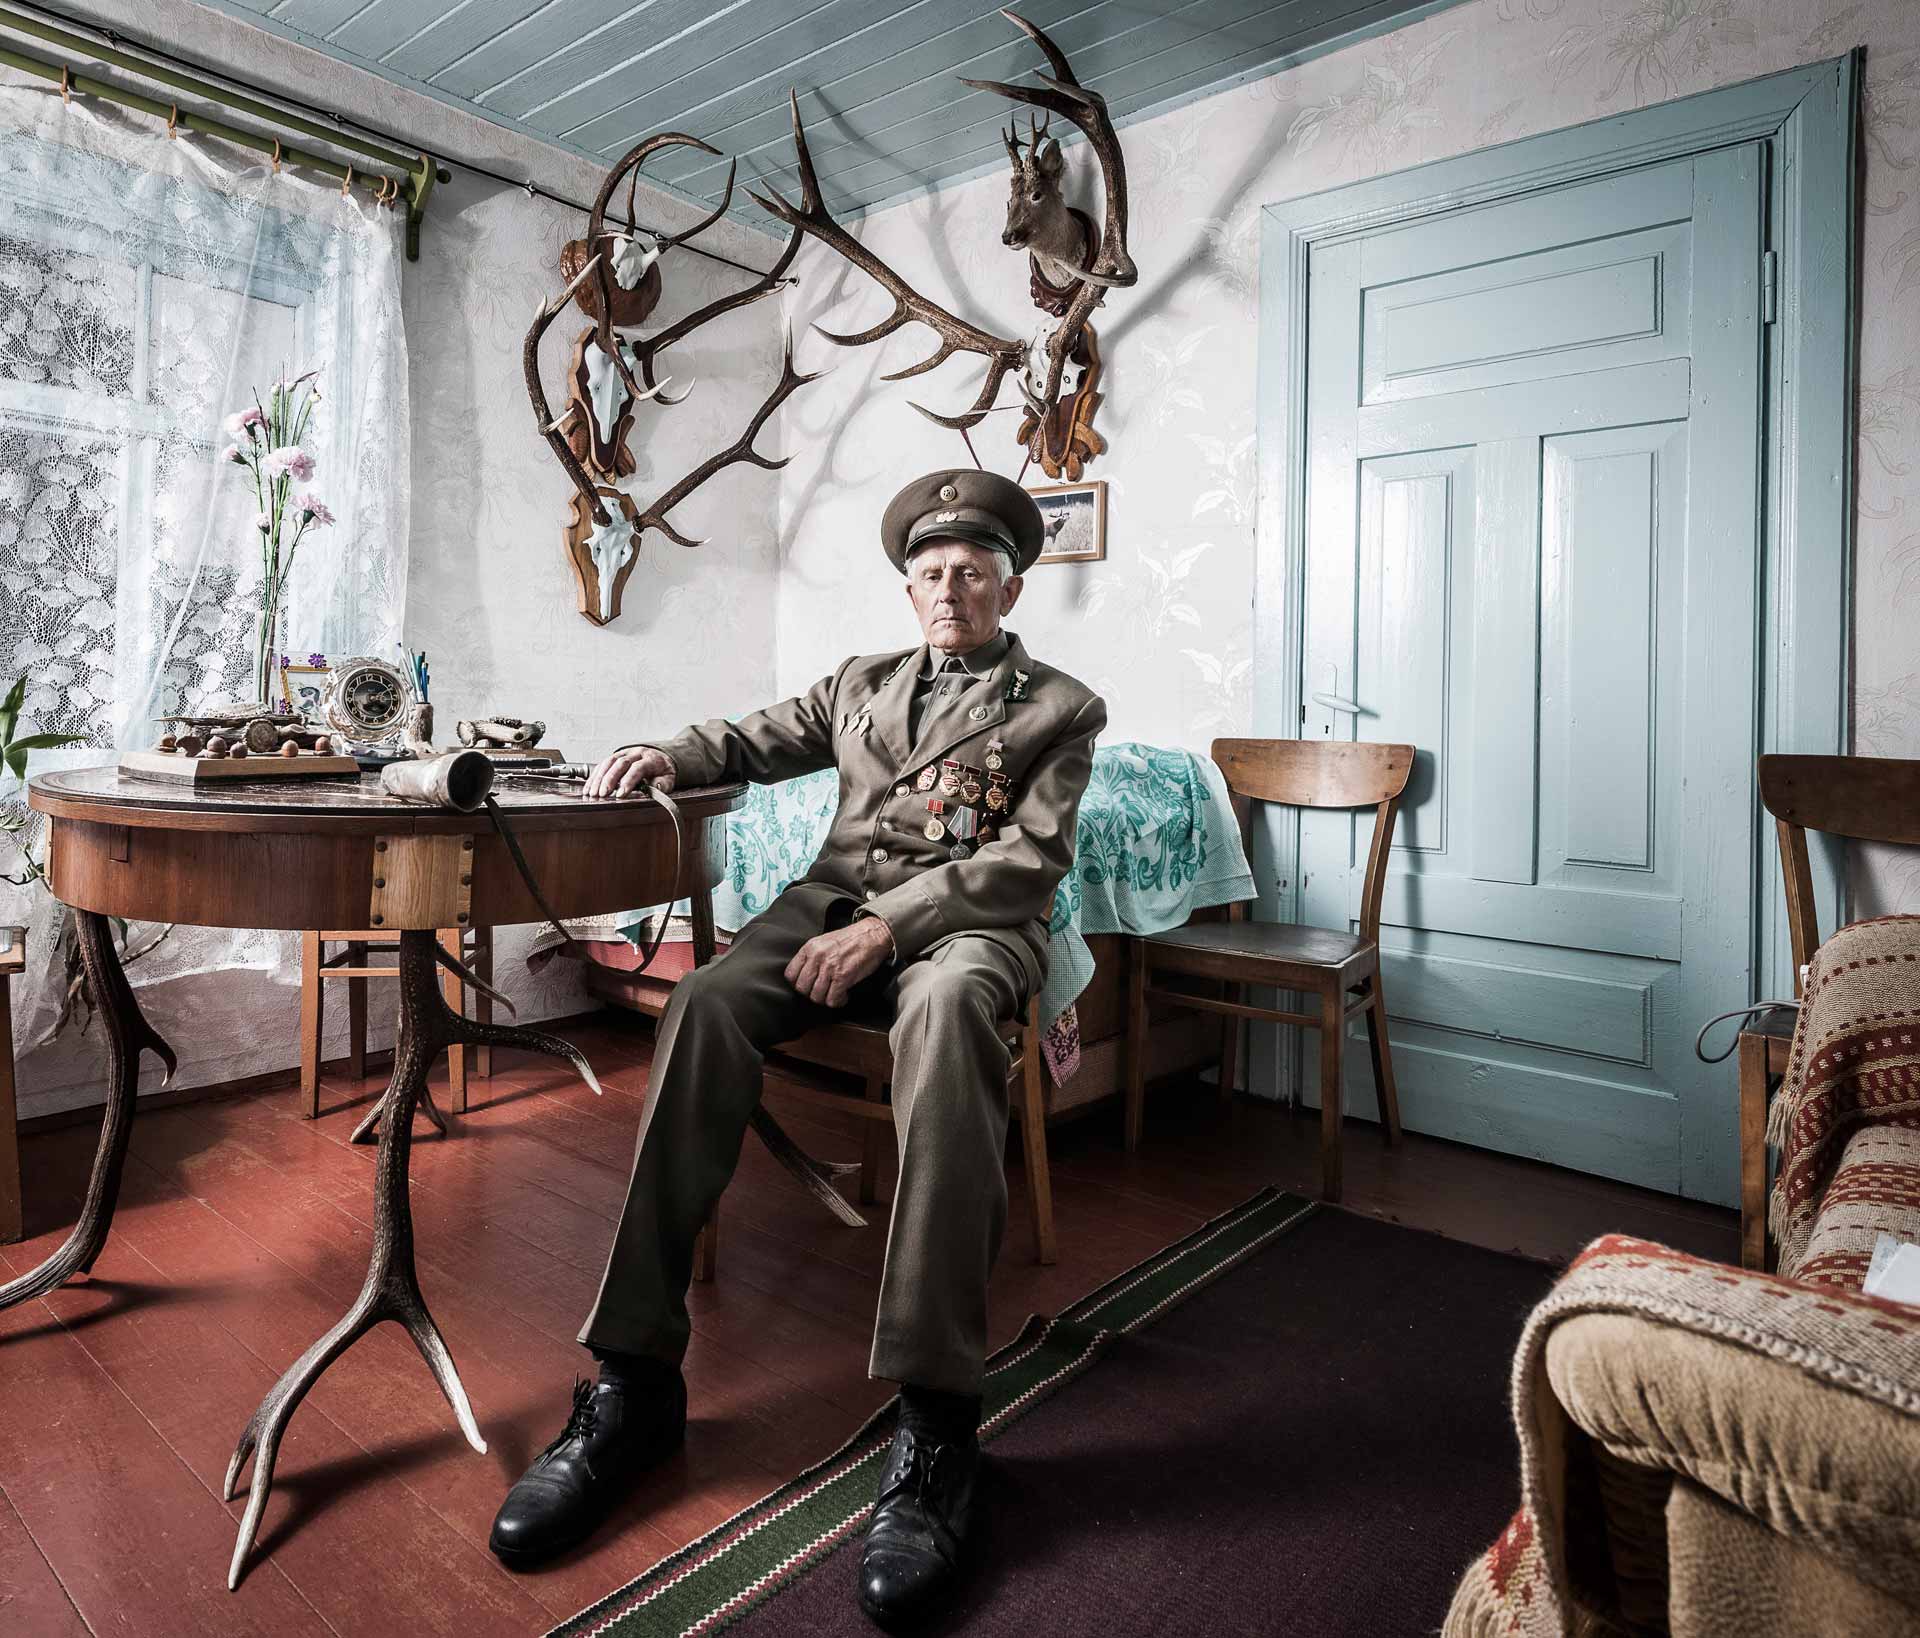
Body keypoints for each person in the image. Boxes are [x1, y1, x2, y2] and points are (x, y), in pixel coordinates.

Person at [489, 468, 1106, 1628]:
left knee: (948, 1012)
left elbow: (1027, 863)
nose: (949, 589)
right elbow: (752, 737)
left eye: (972, 572)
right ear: (909, 590)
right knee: (705, 1004)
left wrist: (890, 930)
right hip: (826, 910)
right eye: (930, 572)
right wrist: (670, 753)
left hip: (966, 930)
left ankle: (938, 1421)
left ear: (1010, 587)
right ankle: (635, 1380)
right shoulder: (860, 683)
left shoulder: (1061, 706)